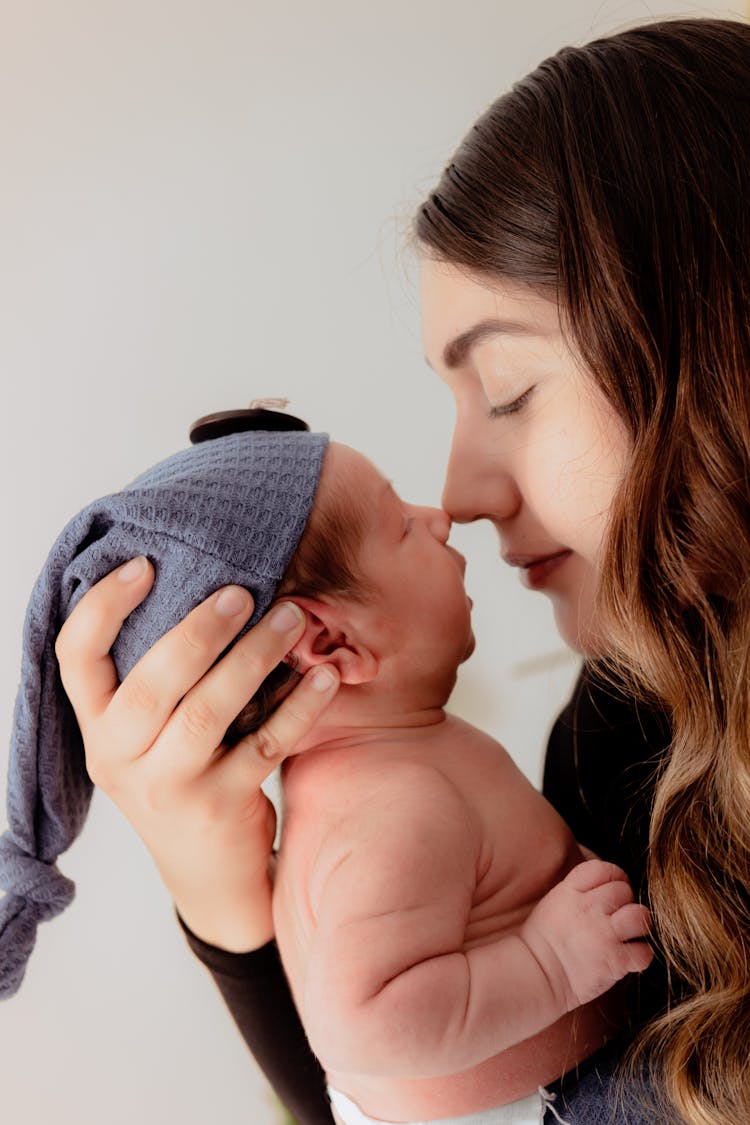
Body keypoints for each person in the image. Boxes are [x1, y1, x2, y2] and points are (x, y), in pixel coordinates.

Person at [52, 16, 750, 1125]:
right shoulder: (617, 743)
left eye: (510, 390)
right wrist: (225, 898)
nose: (462, 495)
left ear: (720, 352)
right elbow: (381, 1075)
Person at [263, 441, 651, 1125]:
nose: (439, 515)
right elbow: (365, 1024)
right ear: (332, 644)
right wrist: (549, 964)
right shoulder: (394, 806)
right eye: (402, 525)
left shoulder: (379, 769)